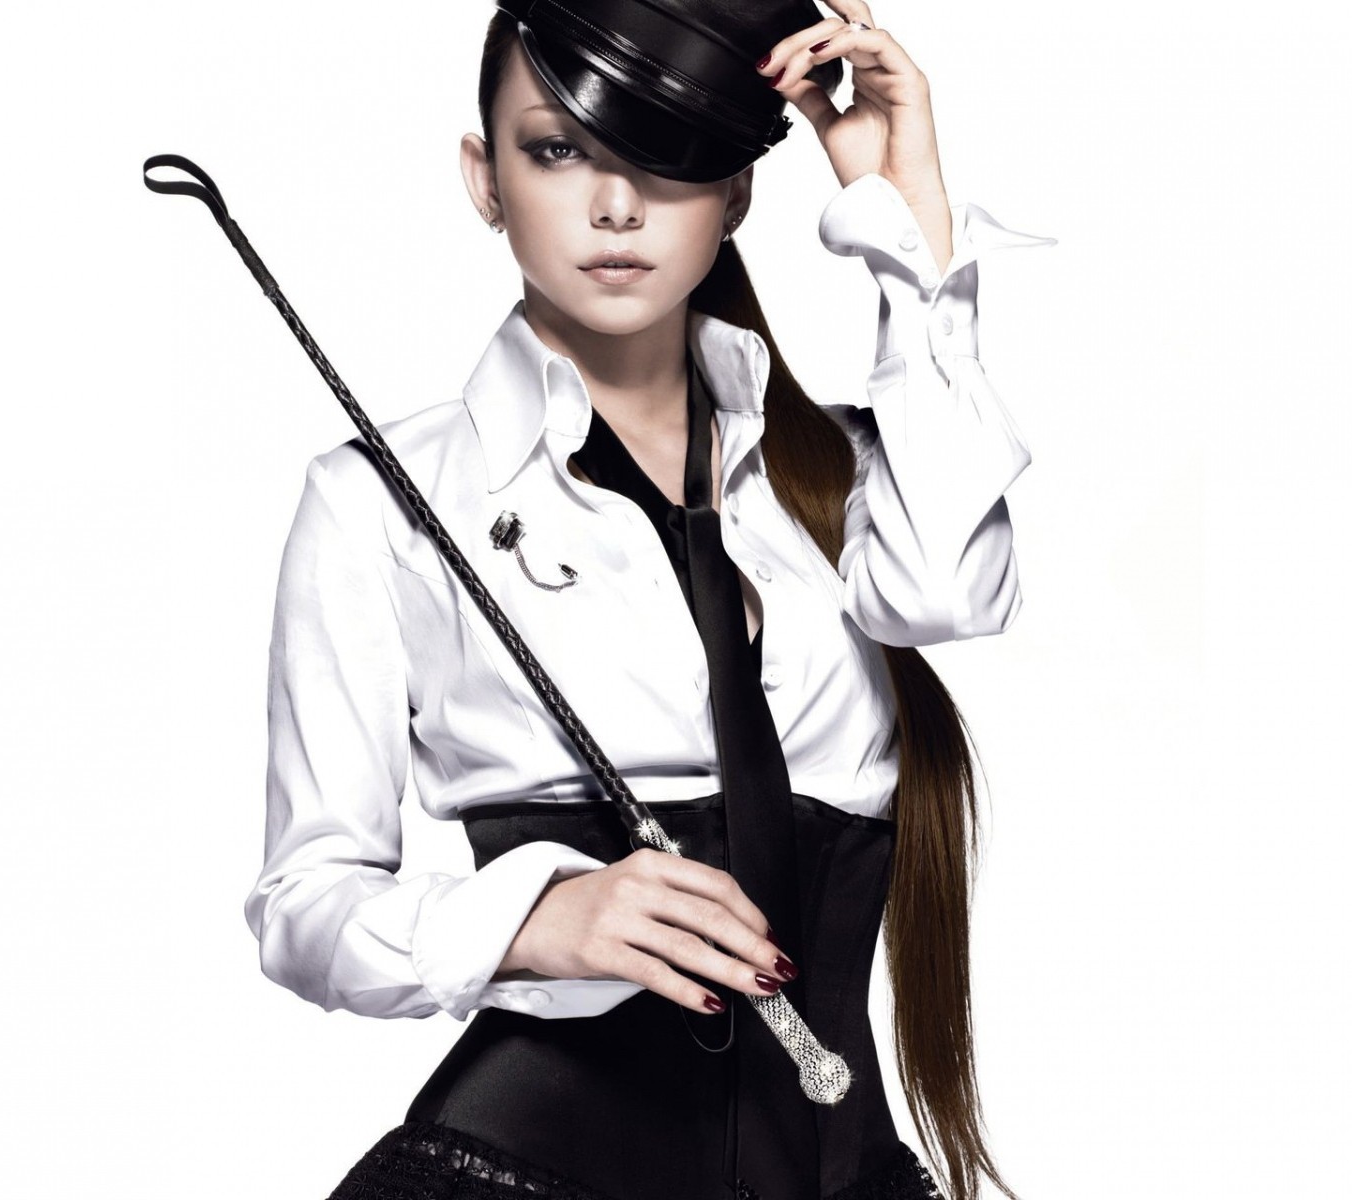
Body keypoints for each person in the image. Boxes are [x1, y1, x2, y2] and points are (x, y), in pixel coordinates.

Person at [245, 1, 1056, 1197]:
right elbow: (303, 904)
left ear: (736, 191)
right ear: (484, 177)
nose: (617, 206)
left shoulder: (840, 472)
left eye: (668, 156)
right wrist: (537, 919)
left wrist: (906, 220)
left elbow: (951, 595)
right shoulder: (380, 501)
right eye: (557, 149)